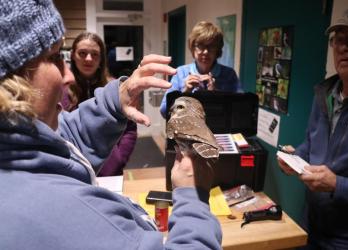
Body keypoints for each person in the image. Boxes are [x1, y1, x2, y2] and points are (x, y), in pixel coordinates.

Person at [0, 1, 222, 249]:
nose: (69, 75)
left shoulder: (14, 151)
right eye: (53, 58)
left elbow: (58, 141)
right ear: (11, 80)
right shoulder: (60, 212)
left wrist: (113, 101)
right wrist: (193, 197)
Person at [277, 6, 348, 249]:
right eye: (339, 40)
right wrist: (296, 158)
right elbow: (311, 146)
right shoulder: (324, 94)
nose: (344, 47)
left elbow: (335, 179)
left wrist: (337, 184)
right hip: (310, 226)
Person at [64, 31, 137, 176]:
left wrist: (119, 158)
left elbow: (130, 129)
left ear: (101, 58)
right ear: (73, 55)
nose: (89, 59)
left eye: (95, 54)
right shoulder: (62, 90)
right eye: (82, 53)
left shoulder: (114, 88)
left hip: (110, 172)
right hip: (71, 171)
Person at [160, 21, 242, 118]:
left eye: (211, 46)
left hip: (218, 131)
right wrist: (186, 93)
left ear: (218, 49)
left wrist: (216, 94)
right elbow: (164, 111)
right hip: (187, 131)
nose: (206, 52)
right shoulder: (181, 73)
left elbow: (241, 110)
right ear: (193, 47)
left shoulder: (229, 75)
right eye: (201, 46)